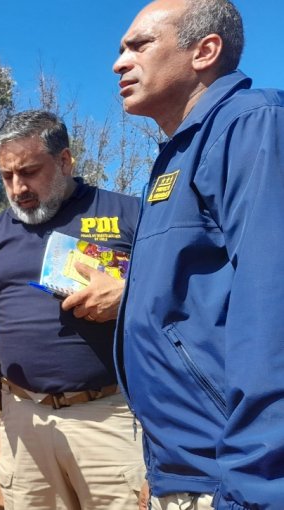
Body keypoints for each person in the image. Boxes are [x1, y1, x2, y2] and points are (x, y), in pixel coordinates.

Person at [113, 1, 284, 508]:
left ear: (205, 51)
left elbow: (272, 318)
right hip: (186, 472)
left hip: (235, 481)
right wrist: (163, 468)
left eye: (139, 45)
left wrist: (255, 489)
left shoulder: (252, 125)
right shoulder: (178, 154)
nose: (119, 62)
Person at [0, 110, 144, 509]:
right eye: (6, 177)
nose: (18, 189)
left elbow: (178, 298)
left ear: (66, 160)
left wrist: (129, 295)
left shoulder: (130, 215)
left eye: (29, 172)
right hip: (22, 418)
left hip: (110, 419)